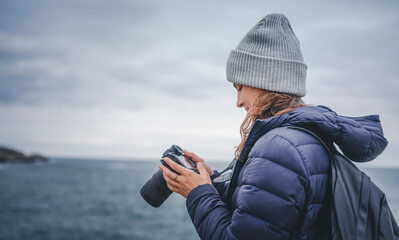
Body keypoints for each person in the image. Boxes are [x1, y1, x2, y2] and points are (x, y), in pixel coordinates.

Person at [159, 13, 388, 240]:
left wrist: (197, 193)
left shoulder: (278, 148)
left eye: (240, 87)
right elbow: (265, 215)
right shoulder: (305, 136)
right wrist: (211, 183)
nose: (238, 102)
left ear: (264, 82)